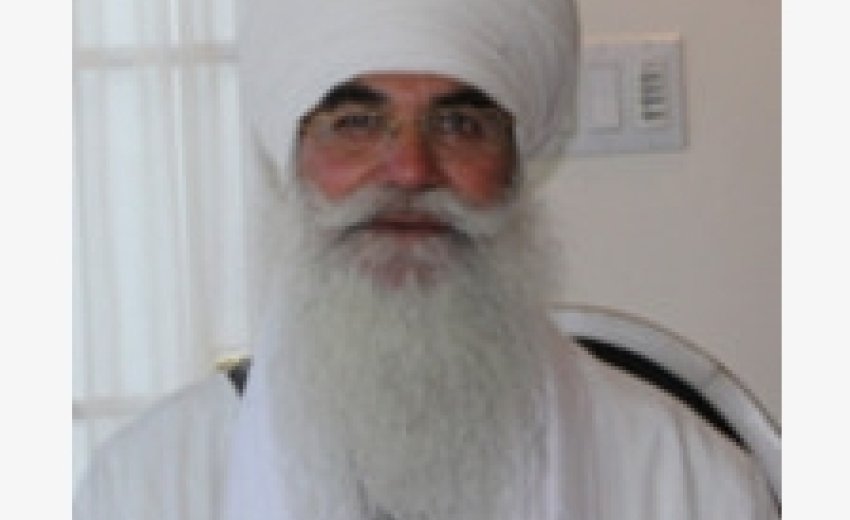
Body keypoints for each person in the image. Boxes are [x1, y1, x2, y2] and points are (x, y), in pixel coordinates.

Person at [74, 0, 778, 519]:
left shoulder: (690, 483)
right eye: (356, 122)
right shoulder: (148, 486)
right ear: (294, 163)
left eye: (459, 124)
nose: (410, 169)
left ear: (517, 169)